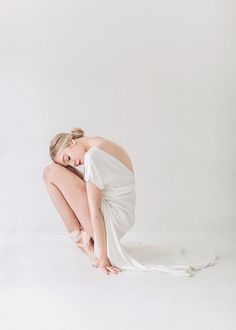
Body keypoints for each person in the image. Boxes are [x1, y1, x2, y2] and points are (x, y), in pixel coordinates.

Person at [43, 127, 218, 277]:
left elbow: (95, 210)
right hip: (123, 214)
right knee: (52, 171)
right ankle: (86, 239)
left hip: (113, 218)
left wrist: (103, 256)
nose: (74, 163)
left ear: (72, 142)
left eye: (68, 158)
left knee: (50, 172)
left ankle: (85, 240)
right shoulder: (101, 144)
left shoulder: (94, 157)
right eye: (70, 164)